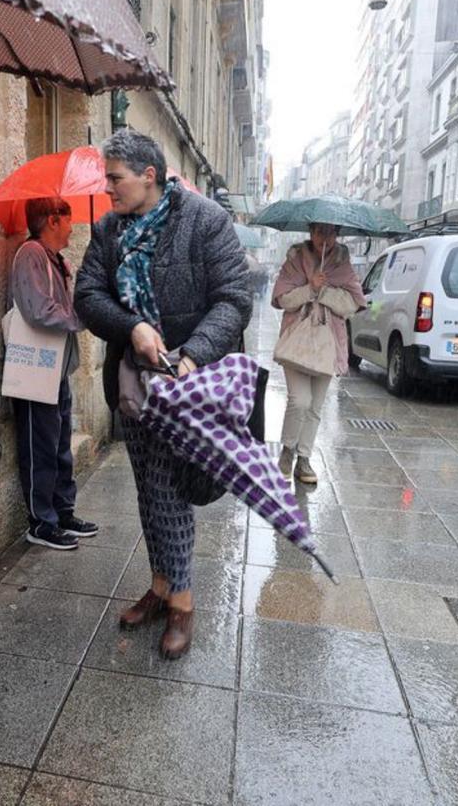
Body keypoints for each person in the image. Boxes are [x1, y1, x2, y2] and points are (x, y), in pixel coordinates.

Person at [75, 129, 251, 660]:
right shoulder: (108, 231)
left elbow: (234, 299)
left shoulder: (205, 221)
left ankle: (183, 603)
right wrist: (132, 327)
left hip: (190, 386)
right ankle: (159, 587)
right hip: (134, 387)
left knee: (171, 490)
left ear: (149, 176)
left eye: (115, 178)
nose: (106, 188)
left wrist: (191, 355)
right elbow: (87, 295)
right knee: (148, 489)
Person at [10, 197, 99, 549]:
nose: (73, 226)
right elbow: (38, 311)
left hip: (55, 368)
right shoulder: (31, 254)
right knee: (41, 448)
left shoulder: (54, 259)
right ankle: (41, 523)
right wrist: (81, 318)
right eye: (68, 218)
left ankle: (62, 511)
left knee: (60, 444)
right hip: (35, 369)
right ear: (52, 220)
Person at [272, 224, 367, 485]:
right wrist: (310, 288)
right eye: (319, 233)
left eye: (331, 233)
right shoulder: (294, 259)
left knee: (315, 406)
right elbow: (283, 300)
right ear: (311, 233)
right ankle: (287, 452)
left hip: (328, 343)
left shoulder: (343, 264)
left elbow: (353, 305)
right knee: (299, 401)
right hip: (297, 340)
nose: (325, 239)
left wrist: (324, 292)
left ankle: (304, 459)